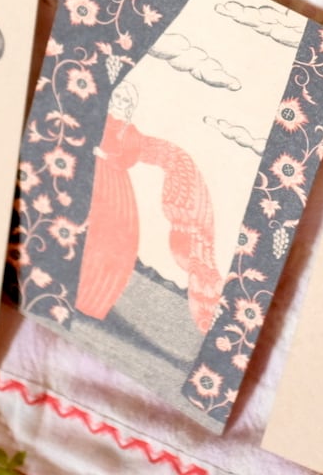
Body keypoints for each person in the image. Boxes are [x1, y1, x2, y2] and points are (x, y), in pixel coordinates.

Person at [74, 83, 223, 332]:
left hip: (114, 185)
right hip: (91, 175)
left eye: (125, 101)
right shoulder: (98, 115)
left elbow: (129, 156)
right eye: (118, 97)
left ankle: (90, 302)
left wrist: (107, 156)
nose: (120, 103)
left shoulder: (129, 131)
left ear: (131, 106)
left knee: (115, 243)